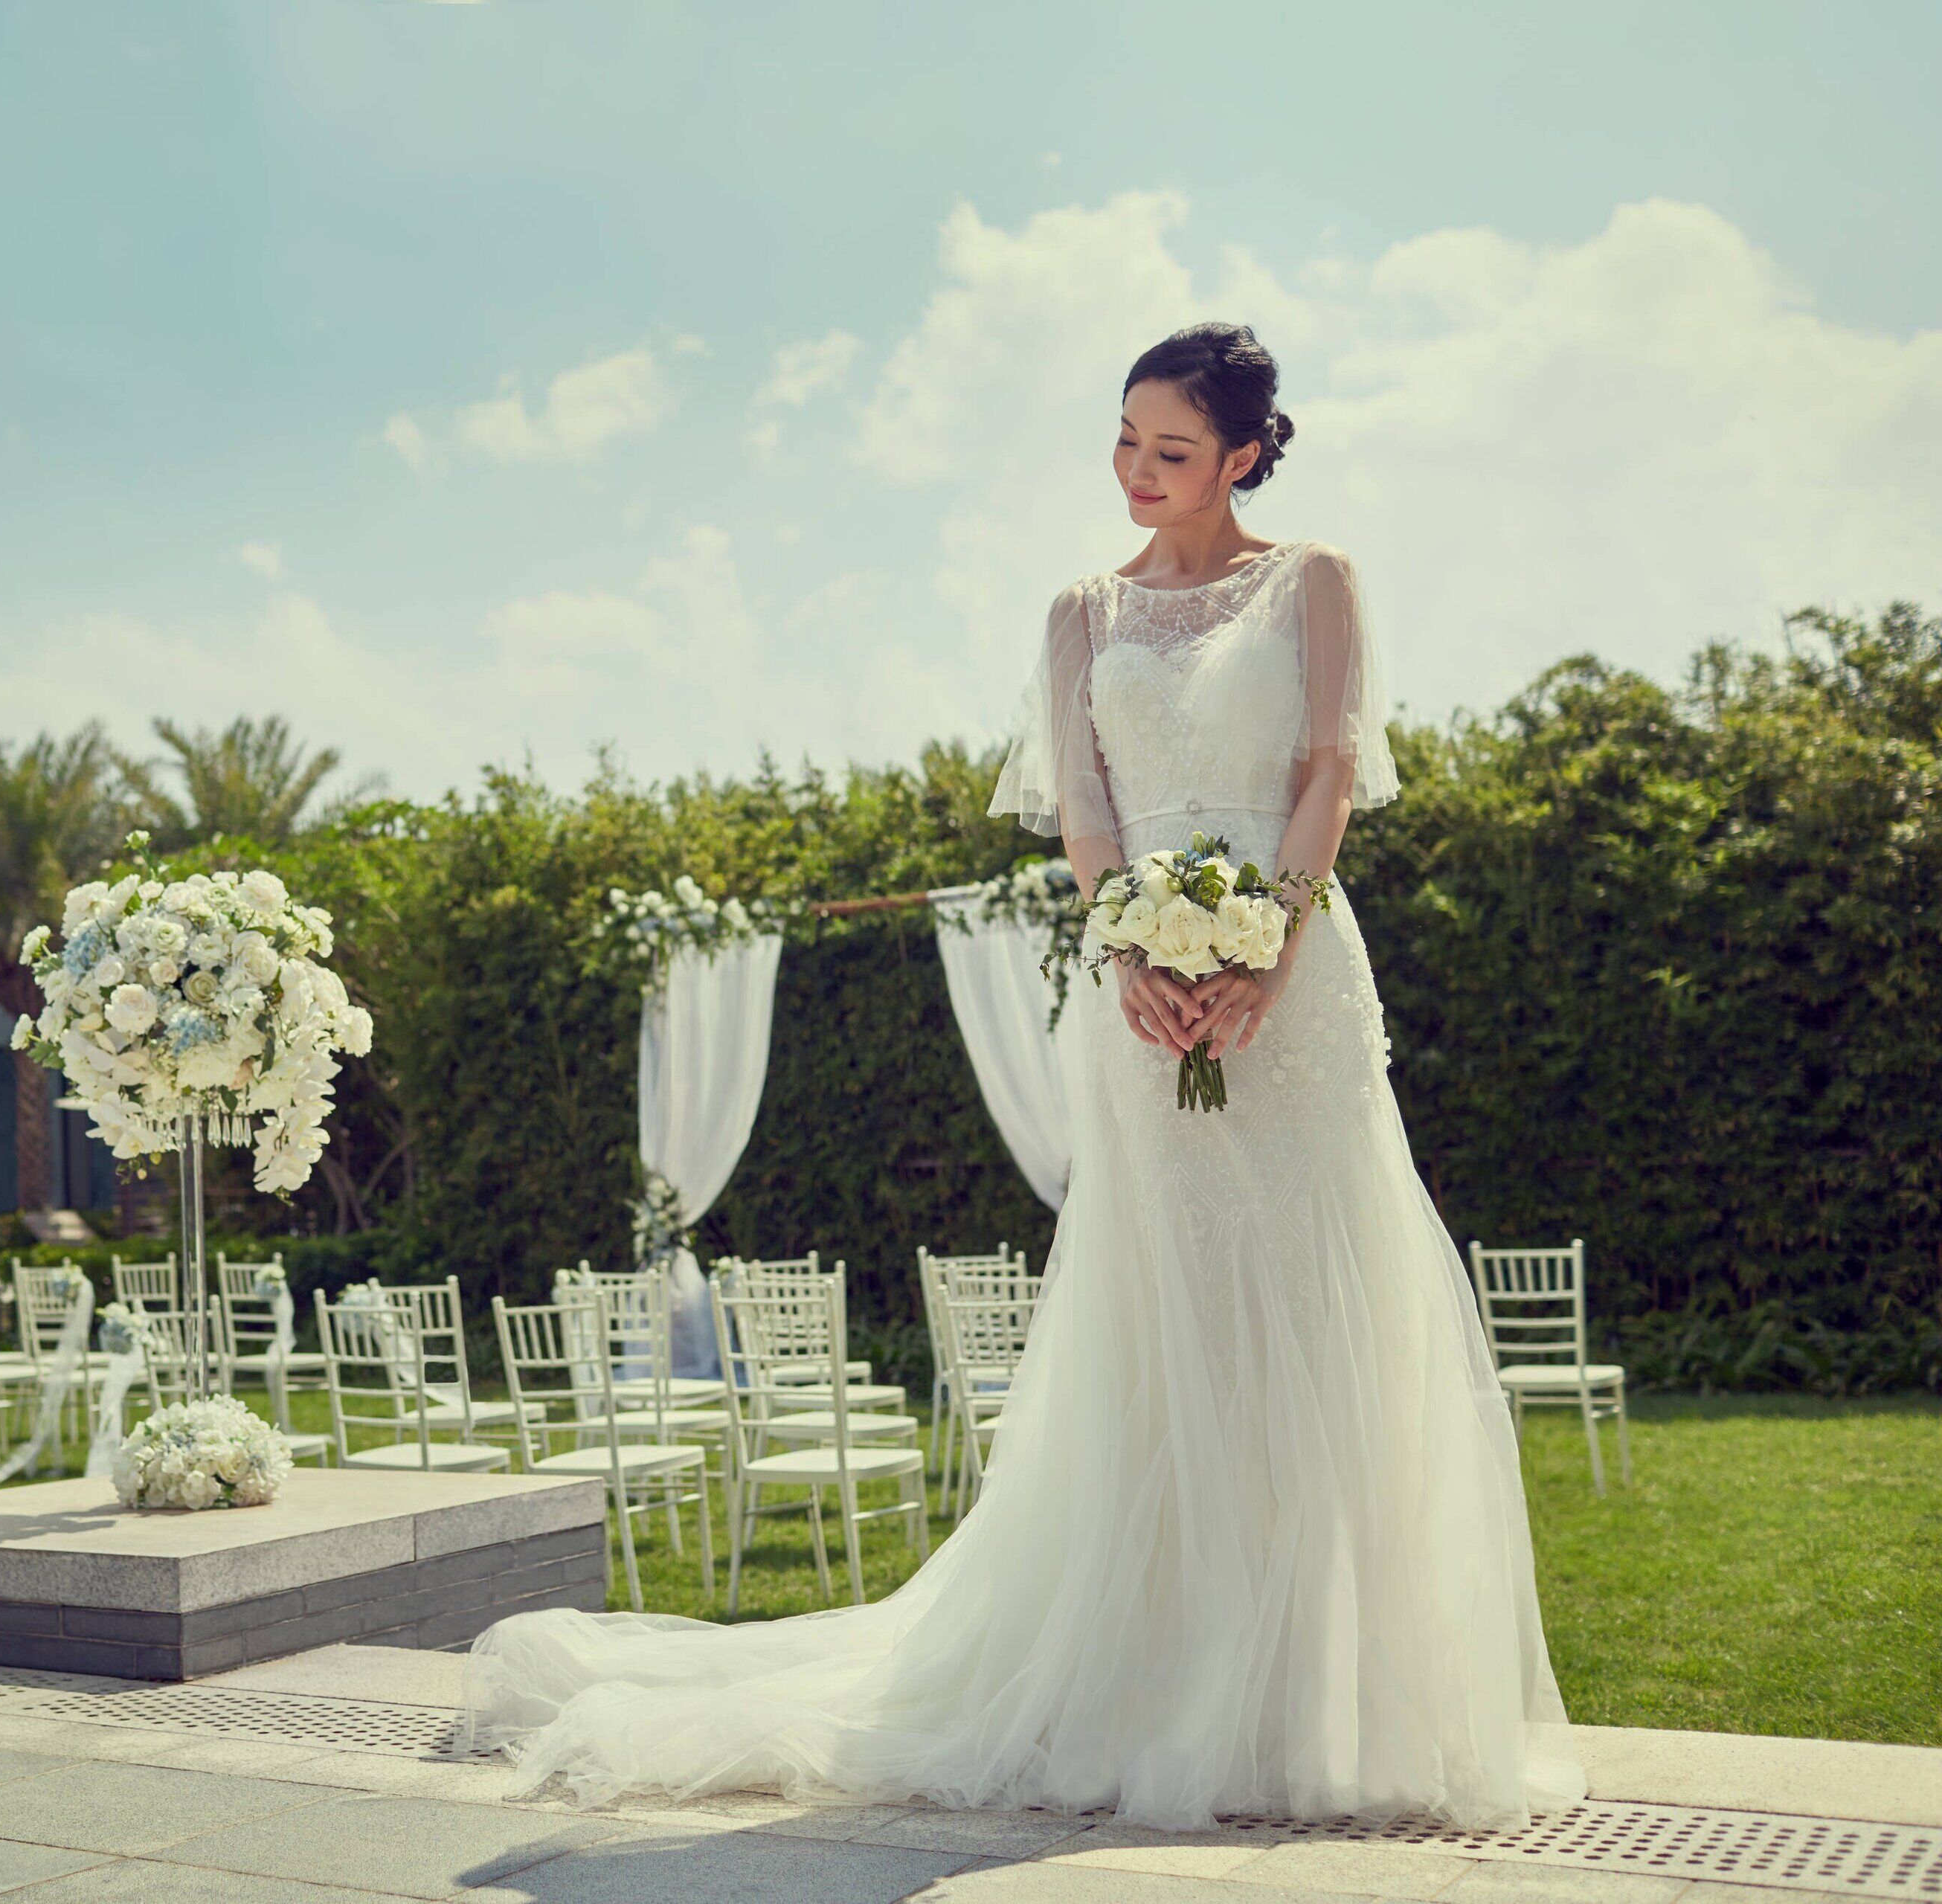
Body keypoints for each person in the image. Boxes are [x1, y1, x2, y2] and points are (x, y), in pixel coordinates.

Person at [462, 323, 1581, 1831]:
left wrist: (1265, 950)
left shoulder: (1316, 580)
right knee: (1162, 1315)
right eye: (1122, 440)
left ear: (1245, 453)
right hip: (1129, 996)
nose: (1136, 472)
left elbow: (1324, 767)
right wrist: (1135, 955)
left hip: (1300, 988)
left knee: (1320, 1307)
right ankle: (1153, 1686)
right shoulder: (1081, 611)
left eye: (1170, 450)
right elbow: (1088, 813)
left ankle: (1320, 1704)